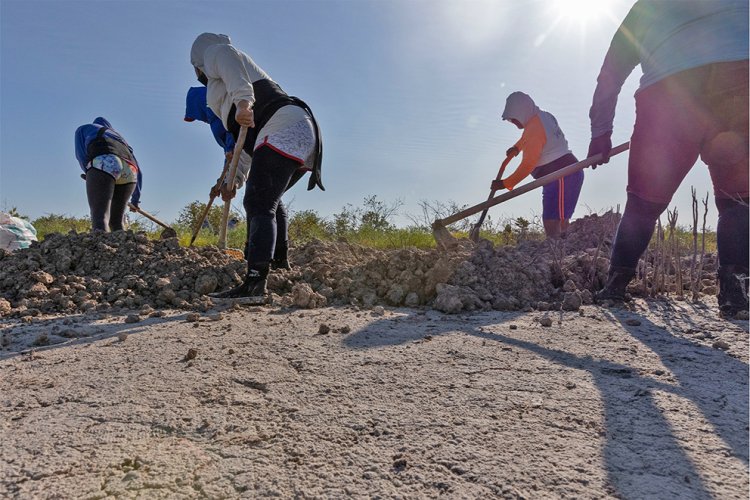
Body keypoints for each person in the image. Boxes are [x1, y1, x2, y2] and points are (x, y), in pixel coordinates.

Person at [587, 0, 749, 317]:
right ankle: (735, 297)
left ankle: (614, 289)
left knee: (643, 203)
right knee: (738, 199)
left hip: (668, 92)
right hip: (740, 79)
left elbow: (612, 70)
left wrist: (600, 132)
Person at [189, 33, 324, 304]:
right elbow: (245, 151)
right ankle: (275, 263)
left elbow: (229, 62)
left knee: (259, 202)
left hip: (284, 126)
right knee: (266, 199)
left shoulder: (216, 52)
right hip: (296, 132)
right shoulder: (225, 96)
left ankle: (254, 284)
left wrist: (242, 101)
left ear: (198, 62)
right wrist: (232, 182)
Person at [494, 92, 582, 239]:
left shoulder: (534, 128)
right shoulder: (541, 117)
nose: (513, 123)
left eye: (514, 119)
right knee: (553, 221)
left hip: (562, 175)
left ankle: (558, 257)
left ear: (522, 112)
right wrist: (517, 148)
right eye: (511, 120)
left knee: (555, 222)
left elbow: (528, 164)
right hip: (559, 175)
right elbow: (529, 137)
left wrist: (505, 183)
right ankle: (557, 255)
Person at [74, 117, 143, 232]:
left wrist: (90, 172)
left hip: (105, 163)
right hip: (130, 171)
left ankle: (101, 248)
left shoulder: (85, 129)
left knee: (101, 218)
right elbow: (139, 170)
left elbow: (81, 154)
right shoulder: (121, 138)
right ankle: (124, 248)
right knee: (116, 222)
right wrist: (135, 200)